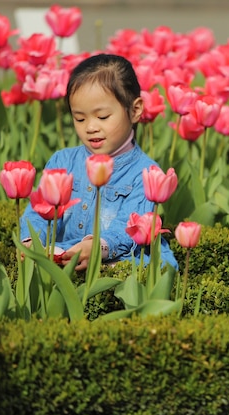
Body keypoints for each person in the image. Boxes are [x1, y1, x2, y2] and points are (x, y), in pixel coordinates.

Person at [20, 53, 178, 271]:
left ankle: (103, 268)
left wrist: (96, 248)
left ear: (135, 110)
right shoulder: (63, 161)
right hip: (65, 250)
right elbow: (37, 212)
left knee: (146, 265)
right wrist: (30, 242)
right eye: (80, 118)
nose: (90, 127)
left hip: (118, 253)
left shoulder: (146, 173)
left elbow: (128, 229)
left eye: (102, 117)